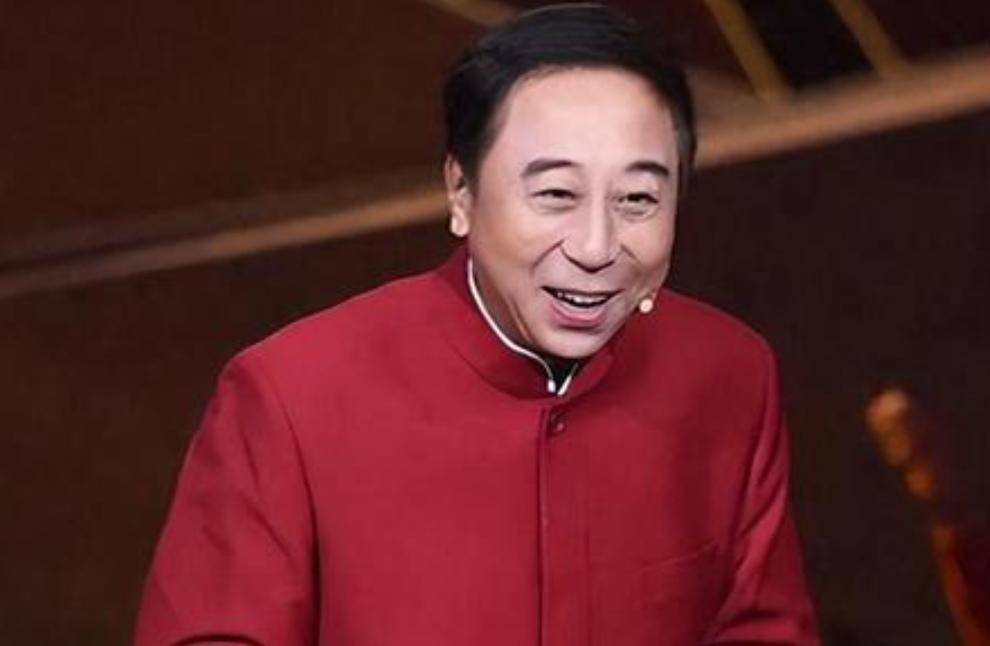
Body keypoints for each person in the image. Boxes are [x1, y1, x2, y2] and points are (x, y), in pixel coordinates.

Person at [135, 4, 819, 644]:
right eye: (556, 194)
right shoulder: (290, 394)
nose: (595, 246)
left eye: (637, 199)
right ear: (461, 191)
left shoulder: (729, 374)